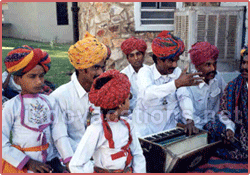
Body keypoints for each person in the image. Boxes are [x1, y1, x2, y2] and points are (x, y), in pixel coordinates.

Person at [2, 45, 73, 173]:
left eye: (41, 76)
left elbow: (60, 134)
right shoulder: (11, 106)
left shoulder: (51, 101)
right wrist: (28, 162)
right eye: (32, 76)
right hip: (24, 165)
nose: (39, 81)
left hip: (51, 162)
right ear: (17, 80)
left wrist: (68, 159)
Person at [69, 69, 146, 173]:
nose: (129, 103)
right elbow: (76, 165)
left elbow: (137, 154)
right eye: (128, 99)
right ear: (120, 104)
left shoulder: (128, 125)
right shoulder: (96, 129)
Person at [132, 31, 204, 137]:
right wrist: (176, 84)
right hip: (144, 131)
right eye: (171, 61)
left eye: (176, 61)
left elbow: (183, 96)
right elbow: (148, 93)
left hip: (168, 129)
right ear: (158, 60)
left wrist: (189, 119)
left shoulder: (177, 72)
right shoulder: (145, 72)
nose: (175, 65)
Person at [50, 31, 108, 152]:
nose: (101, 73)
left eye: (103, 67)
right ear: (81, 69)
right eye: (96, 67)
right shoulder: (60, 97)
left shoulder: (105, 91)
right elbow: (59, 137)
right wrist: (86, 153)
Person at [216, 45, 248, 160]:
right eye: (243, 63)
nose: (244, 67)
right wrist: (230, 128)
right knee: (215, 129)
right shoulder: (233, 86)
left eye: (248, 64)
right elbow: (223, 112)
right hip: (239, 132)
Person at [187, 42, 227, 133]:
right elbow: (188, 115)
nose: (213, 68)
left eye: (214, 64)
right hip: (197, 130)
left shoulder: (218, 78)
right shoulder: (188, 85)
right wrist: (206, 126)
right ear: (197, 67)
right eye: (208, 65)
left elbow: (226, 99)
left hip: (216, 125)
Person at [121, 37, 148, 112]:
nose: (136, 58)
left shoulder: (150, 71)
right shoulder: (123, 75)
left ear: (143, 55)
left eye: (138, 54)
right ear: (128, 58)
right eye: (132, 56)